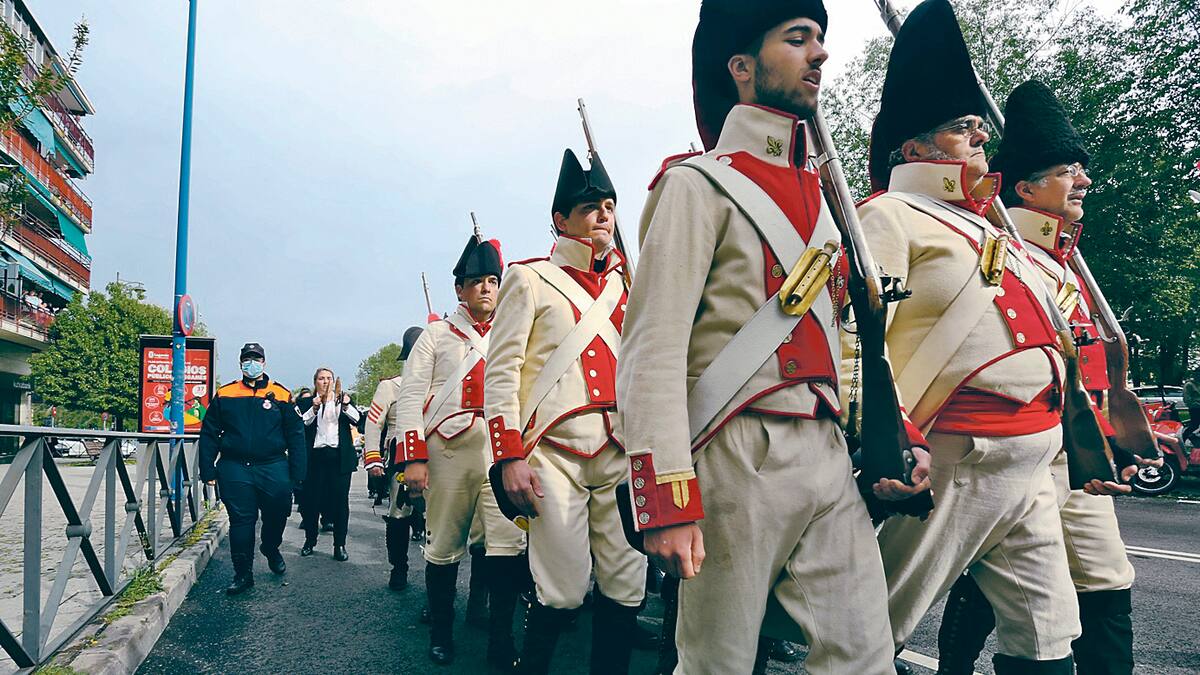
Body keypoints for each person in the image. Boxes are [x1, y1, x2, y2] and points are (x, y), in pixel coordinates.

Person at [617, 2, 923, 673]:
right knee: (717, 662)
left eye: (820, 39)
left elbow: (847, 346)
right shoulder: (698, 184)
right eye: (797, 39)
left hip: (823, 446)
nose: (819, 54)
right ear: (742, 66)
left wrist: (893, 433)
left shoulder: (826, 198)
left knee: (865, 655)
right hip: (735, 449)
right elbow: (653, 349)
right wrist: (665, 498)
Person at [859, 2, 1083, 671]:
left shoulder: (995, 231)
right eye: (964, 130)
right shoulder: (889, 216)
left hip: (1032, 460)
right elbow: (861, 344)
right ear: (915, 148)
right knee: (867, 629)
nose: (983, 139)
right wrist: (885, 436)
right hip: (959, 456)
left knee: (1047, 639)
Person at [936, 79, 1150, 675]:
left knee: (1102, 580)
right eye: (1066, 171)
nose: (1083, 180)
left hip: (1069, 449)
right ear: (1025, 188)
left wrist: (1105, 441)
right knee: (1000, 576)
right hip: (1008, 439)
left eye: (1080, 170)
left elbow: (1089, 372)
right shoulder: (1001, 253)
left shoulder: (1063, 261)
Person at [486, 147, 644, 675]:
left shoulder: (630, 286)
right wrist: (509, 455)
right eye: (590, 206)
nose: (604, 213)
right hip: (554, 455)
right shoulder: (529, 279)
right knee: (563, 590)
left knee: (627, 584)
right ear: (561, 219)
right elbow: (502, 371)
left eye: (610, 205)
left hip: (621, 450)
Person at [396, 233, 526, 669]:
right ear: (460, 289)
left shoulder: (513, 330)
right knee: (444, 548)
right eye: (477, 281)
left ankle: (500, 638)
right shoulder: (436, 335)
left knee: (507, 546)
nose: (487, 288)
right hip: (448, 453)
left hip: (499, 452)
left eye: (493, 280)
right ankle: (441, 633)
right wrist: (413, 458)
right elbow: (412, 399)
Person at [198, 342, 306, 596]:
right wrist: (208, 469)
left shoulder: (281, 395)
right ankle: (242, 573)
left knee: (278, 514)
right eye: (247, 358)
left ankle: (270, 547)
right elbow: (209, 433)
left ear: (264, 362)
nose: (251, 362)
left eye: (256, 358)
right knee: (241, 522)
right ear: (240, 363)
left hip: (273, 466)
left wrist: (298, 475)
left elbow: (296, 435)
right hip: (235, 468)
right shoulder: (225, 394)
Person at [363, 325, 425, 591]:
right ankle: (398, 568)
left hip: (438, 457)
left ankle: (436, 589)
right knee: (400, 513)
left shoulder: (444, 384)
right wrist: (374, 459)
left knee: (438, 522)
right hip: (401, 456)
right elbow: (374, 423)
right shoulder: (391, 387)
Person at [297, 368, 360, 561]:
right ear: (315, 381)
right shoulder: (305, 402)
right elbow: (300, 424)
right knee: (311, 502)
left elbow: (358, 420)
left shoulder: (343, 400)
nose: (325, 382)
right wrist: (314, 408)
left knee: (340, 502)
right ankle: (310, 540)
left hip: (338, 457)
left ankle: (339, 544)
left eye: (328, 379)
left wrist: (346, 405)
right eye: (321, 379)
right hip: (315, 457)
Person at [1183, 369, 1200, 446]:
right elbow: (1187, 398)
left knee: (1195, 424)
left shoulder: (1198, 384)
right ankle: (1184, 437)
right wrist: (1195, 404)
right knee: (1194, 424)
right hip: (1195, 408)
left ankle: (1194, 437)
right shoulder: (1189, 385)